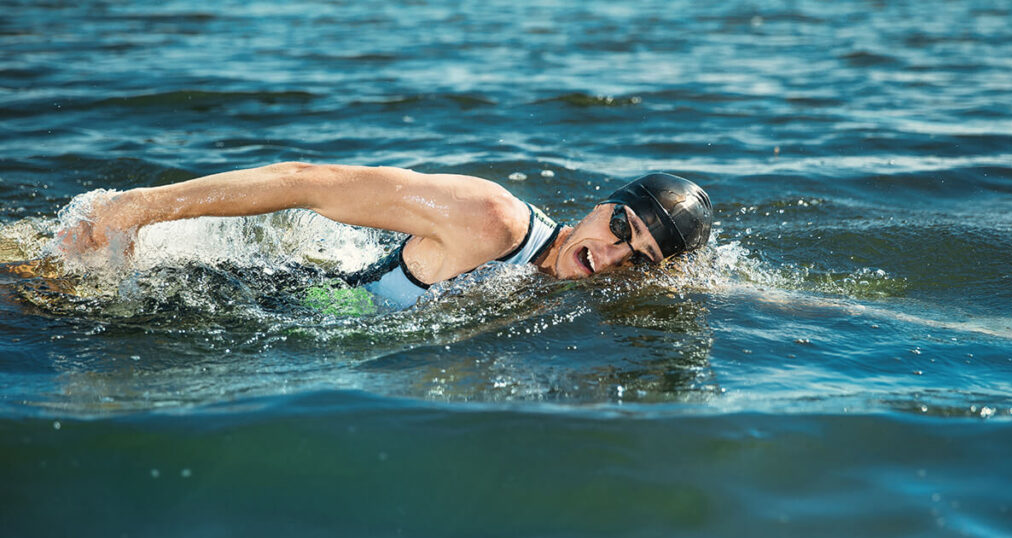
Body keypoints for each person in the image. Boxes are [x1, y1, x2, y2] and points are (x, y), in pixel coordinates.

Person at [60, 163, 713, 309]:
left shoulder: (583, 286)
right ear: (602, 203)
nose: (611, 255)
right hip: (264, 300)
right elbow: (309, 182)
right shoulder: (493, 218)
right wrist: (136, 207)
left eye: (639, 258)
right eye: (621, 226)